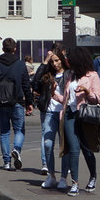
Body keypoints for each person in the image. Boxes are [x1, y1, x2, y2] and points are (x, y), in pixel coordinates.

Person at [0, 37, 33, 170]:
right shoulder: (20, 65)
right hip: (17, 101)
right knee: (19, 130)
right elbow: (26, 85)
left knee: (4, 132)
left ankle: (6, 162)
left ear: (2, 49)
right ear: (15, 49)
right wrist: (29, 102)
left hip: (2, 103)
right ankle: (16, 150)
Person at [61, 46, 100, 195]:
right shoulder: (69, 76)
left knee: (87, 149)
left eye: (70, 59)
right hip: (69, 115)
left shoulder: (93, 76)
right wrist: (54, 95)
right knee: (73, 149)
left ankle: (93, 176)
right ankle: (75, 183)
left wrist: (86, 91)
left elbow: (97, 98)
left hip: (85, 115)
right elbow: (66, 98)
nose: (67, 61)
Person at [35, 50, 66, 189]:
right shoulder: (48, 75)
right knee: (48, 144)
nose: (55, 64)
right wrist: (45, 62)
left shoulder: (68, 74)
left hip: (64, 113)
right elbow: (35, 83)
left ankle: (64, 177)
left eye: (57, 60)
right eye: (52, 61)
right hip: (50, 112)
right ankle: (51, 175)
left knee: (65, 146)